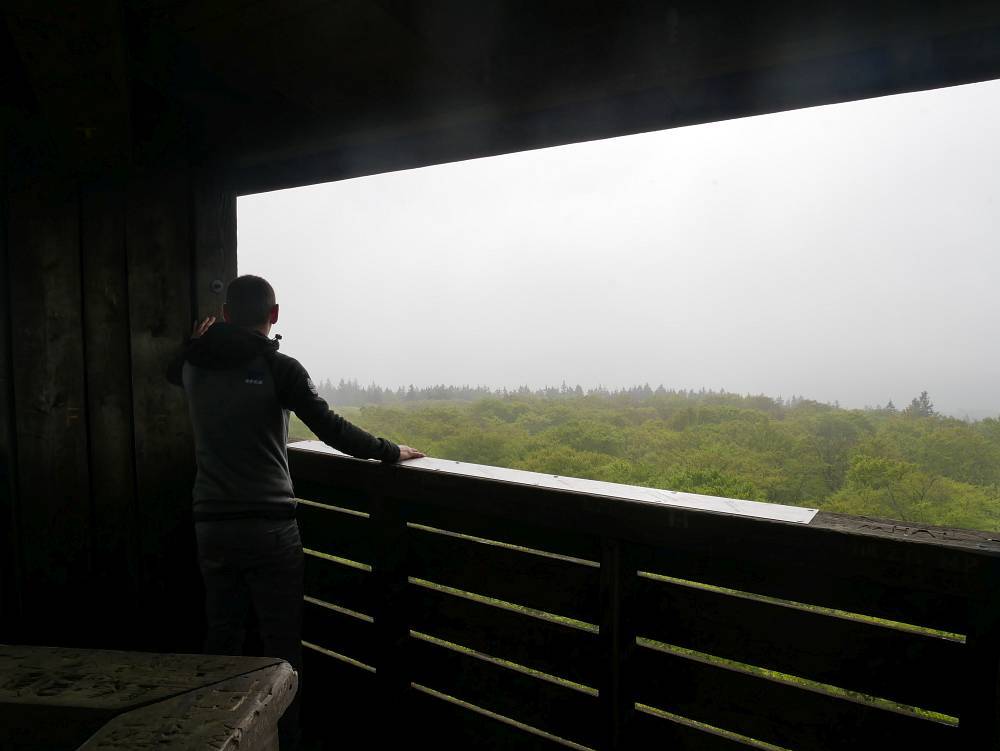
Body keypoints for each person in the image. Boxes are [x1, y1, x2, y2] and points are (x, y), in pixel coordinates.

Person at [167, 274, 423, 747]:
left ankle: (206, 739)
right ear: (275, 315)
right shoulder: (278, 366)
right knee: (282, 649)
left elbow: (173, 368)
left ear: (225, 315)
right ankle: (287, 740)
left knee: (221, 640)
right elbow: (332, 430)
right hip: (270, 527)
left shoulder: (189, 362)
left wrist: (196, 342)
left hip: (211, 525)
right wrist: (390, 451)